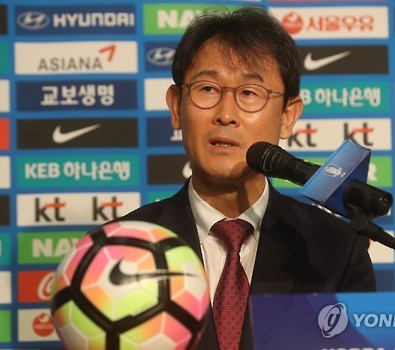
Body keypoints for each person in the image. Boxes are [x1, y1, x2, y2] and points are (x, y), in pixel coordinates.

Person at [117, 5, 376, 349]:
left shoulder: (335, 250)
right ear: (177, 106)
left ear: (288, 116)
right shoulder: (121, 250)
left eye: (249, 93)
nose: (226, 115)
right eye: (208, 89)